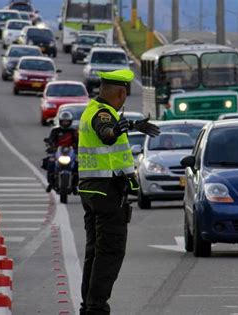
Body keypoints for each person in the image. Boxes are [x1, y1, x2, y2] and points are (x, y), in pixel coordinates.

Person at [78, 69, 160, 315]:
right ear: (121, 93)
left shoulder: (93, 109)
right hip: (107, 194)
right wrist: (116, 131)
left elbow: (109, 128)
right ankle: (96, 308)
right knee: (110, 252)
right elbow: (107, 133)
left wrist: (133, 124)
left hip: (93, 192)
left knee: (95, 252)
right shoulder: (103, 115)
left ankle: (89, 305)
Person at [45, 111, 78, 192]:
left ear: (70, 121)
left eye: (67, 121)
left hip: (71, 152)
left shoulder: (73, 131)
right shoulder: (55, 130)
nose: (65, 122)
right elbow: (51, 140)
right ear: (60, 121)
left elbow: (78, 141)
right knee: (50, 163)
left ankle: (75, 185)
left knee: (78, 164)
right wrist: (50, 146)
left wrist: (79, 148)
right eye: (64, 121)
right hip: (57, 151)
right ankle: (51, 183)